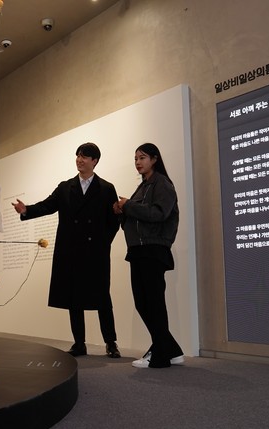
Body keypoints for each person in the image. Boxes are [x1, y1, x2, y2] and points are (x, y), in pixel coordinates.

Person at [12, 142, 121, 358]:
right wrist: (26, 211)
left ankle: (111, 343)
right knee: (74, 299)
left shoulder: (106, 188)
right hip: (71, 250)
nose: (80, 160)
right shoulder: (65, 187)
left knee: (102, 298)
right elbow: (47, 205)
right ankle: (79, 343)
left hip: (95, 253)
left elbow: (114, 220)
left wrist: (102, 243)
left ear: (95, 161)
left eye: (85, 156)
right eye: (78, 155)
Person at [113, 142, 184, 368]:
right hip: (139, 250)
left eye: (142, 157)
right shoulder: (143, 187)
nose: (138, 162)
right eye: (135, 158)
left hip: (153, 250)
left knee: (152, 303)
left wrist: (128, 206)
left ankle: (161, 355)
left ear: (154, 159)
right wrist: (122, 210)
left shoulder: (162, 183)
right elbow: (137, 219)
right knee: (144, 303)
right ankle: (171, 350)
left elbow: (159, 213)